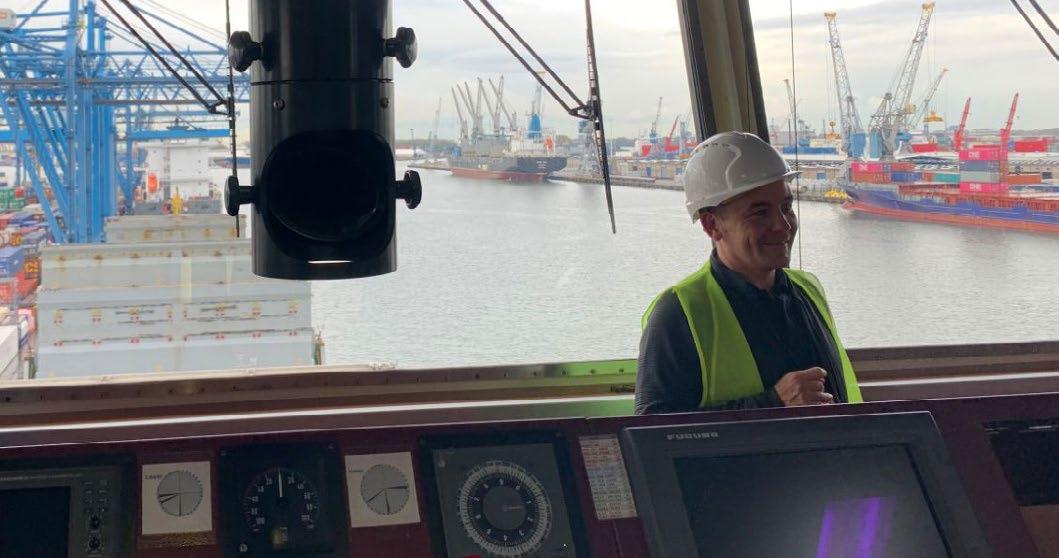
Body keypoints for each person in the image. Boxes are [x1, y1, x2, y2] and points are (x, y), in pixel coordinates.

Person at [635, 131, 861, 414]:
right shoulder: (678, 313)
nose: (783, 225)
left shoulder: (808, 289)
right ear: (712, 225)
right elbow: (653, 427)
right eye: (760, 213)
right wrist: (772, 404)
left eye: (786, 207)